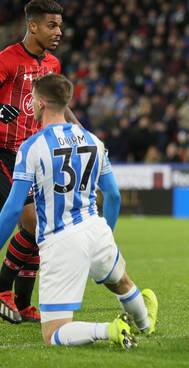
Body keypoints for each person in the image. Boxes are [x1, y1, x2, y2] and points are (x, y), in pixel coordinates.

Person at [0, 73, 158, 347]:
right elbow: (113, 194)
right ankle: (145, 323)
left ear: (42, 104)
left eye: (35, 100)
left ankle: (109, 329)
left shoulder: (32, 147)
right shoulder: (93, 140)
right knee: (120, 282)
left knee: (53, 335)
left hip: (61, 240)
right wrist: (106, 234)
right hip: (96, 230)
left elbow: (14, 209)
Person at [0, 0, 81, 323]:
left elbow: (59, 105)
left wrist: (80, 131)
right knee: (33, 224)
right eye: (51, 25)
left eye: (60, 25)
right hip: (6, 152)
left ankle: (21, 301)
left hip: (36, 154)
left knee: (42, 227)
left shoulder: (53, 65)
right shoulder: (7, 60)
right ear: (32, 25)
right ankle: (2, 288)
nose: (58, 31)